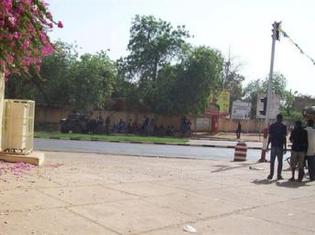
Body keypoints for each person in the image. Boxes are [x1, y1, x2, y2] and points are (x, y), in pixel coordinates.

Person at [267, 114, 287, 180]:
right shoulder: (284, 126)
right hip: (280, 146)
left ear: (276, 118)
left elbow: (270, 136)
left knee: (272, 161)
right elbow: (284, 138)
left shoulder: (272, 126)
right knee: (280, 162)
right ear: (281, 119)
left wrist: (267, 146)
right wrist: (285, 147)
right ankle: (279, 175)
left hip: (273, 146)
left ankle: (271, 175)